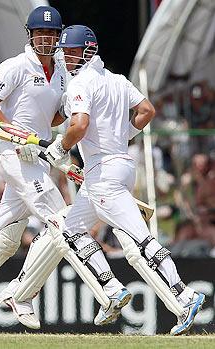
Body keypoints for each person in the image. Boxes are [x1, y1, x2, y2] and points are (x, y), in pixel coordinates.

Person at [0, 7, 122, 334]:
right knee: (64, 222)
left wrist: (60, 133)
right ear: (30, 35)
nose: (45, 39)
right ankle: (84, 291)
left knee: (4, 239)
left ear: (58, 36)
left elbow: (54, 118)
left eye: (51, 34)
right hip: (15, 156)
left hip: (40, 159)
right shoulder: (15, 66)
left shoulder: (62, 71)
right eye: (39, 34)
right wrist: (19, 135)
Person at [42, 25, 205, 335]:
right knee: (72, 229)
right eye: (66, 52)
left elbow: (79, 124)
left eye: (72, 51)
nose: (67, 57)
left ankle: (185, 295)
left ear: (87, 51)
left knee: (141, 239)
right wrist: (124, 135)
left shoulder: (81, 84)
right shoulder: (117, 80)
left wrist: (60, 148)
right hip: (114, 167)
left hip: (104, 173)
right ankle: (112, 288)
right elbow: (146, 110)